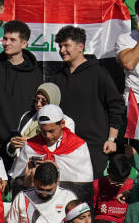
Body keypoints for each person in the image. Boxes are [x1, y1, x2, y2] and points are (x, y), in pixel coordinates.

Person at [51, 26, 124, 177]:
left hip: (94, 147)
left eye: (66, 45)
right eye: (60, 46)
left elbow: (115, 106)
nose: (62, 50)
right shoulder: (57, 77)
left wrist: (111, 139)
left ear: (80, 47)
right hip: (64, 146)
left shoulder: (99, 73)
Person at [0, 19, 43, 160]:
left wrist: (28, 137)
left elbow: (36, 108)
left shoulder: (35, 73)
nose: (6, 43)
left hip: (22, 143)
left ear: (23, 44)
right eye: (5, 39)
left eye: (12, 40)